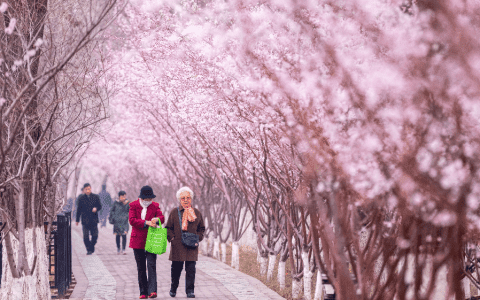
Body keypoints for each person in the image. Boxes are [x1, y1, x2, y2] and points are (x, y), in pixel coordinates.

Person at [165, 186, 205, 299]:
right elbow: (168, 227)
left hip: (192, 246)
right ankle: (173, 288)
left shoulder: (196, 212)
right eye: (183, 198)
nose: (186, 200)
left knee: (191, 270)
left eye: (188, 197)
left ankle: (190, 291)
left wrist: (198, 238)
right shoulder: (174, 212)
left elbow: (202, 228)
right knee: (176, 270)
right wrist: (172, 238)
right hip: (177, 246)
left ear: (191, 199)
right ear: (179, 199)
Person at [129, 185, 165, 299]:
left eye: (150, 199)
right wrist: (146, 223)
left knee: (151, 265)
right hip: (137, 240)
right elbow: (132, 220)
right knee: (141, 267)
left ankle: (152, 291)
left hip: (151, 239)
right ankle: (143, 292)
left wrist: (157, 220)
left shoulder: (155, 206)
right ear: (142, 198)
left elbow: (162, 217)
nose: (148, 201)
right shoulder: (133, 205)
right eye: (146, 199)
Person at [76, 183, 102, 255]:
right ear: (84, 190)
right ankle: (88, 249)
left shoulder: (95, 197)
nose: (88, 190)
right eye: (86, 189)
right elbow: (79, 209)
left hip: (94, 220)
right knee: (86, 236)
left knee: (95, 236)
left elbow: (100, 206)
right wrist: (77, 220)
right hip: (85, 220)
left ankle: (92, 246)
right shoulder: (81, 198)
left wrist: (96, 208)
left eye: (89, 189)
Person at [109, 190, 130, 255]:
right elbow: (112, 211)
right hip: (117, 222)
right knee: (118, 235)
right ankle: (118, 248)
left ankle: (123, 249)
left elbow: (131, 211)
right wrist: (114, 217)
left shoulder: (127, 203)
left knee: (124, 235)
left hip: (124, 222)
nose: (124, 198)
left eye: (124, 196)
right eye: (122, 196)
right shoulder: (115, 203)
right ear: (119, 197)